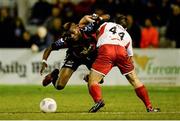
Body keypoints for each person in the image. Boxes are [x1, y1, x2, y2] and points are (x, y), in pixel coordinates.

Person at [67, 14, 160, 113]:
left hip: (106, 49)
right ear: (126, 27)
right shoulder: (127, 35)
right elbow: (130, 59)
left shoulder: (106, 24)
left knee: (93, 81)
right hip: (121, 51)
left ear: (115, 22)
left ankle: (98, 101)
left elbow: (93, 24)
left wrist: (86, 20)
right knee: (135, 80)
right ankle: (149, 107)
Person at [40, 14, 110, 90]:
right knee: (59, 86)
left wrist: (98, 17)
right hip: (74, 57)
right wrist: (44, 61)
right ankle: (54, 75)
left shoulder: (88, 29)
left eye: (73, 33)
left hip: (91, 56)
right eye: (69, 35)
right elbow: (50, 48)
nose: (72, 36)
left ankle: (88, 77)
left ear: (77, 27)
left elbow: (108, 16)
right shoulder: (66, 40)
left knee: (100, 80)